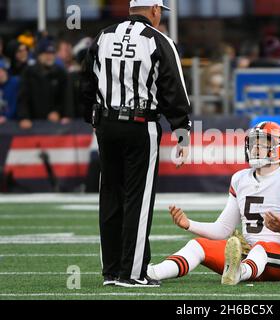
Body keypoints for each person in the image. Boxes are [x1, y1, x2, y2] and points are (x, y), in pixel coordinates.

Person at [81, 0, 191, 288]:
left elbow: (85, 81)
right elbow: (173, 88)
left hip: (106, 124)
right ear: (154, 9)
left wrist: (92, 116)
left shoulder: (103, 35)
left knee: (111, 195)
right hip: (141, 124)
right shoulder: (158, 40)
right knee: (138, 199)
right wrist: (182, 129)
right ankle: (132, 272)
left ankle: (112, 270)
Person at [147, 122, 280, 285]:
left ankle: (238, 273)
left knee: (261, 248)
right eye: (253, 143)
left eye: (263, 144)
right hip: (250, 255)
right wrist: (188, 224)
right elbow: (222, 229)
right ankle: (152, 272)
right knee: (197, 245)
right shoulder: (240, 179)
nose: (255, 148)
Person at [17, 38, 71, 129]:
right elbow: (23, 97)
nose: (49, 56)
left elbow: (65, 97)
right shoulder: (28, 72)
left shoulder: (60, 72)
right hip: (32, 123)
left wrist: (58, 112)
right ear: (39, 55)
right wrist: (24, 117)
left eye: (52, 54)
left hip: (55, 124)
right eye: (46, 54)